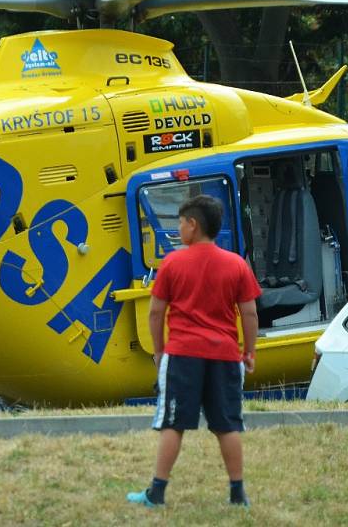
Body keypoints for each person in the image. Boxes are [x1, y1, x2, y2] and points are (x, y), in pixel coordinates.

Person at [126, 194, 261, 509]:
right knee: (227, 424)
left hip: (184, 354)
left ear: (193, 225)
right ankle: (237, 493)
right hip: (226, 354)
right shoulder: (236, 264)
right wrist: (249, 351)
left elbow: (156, 312)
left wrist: (159, 351)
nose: (178, 228)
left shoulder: (172, 263)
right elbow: (250, 313)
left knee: (173, 423)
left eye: (181, 222)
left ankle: (156, 493)